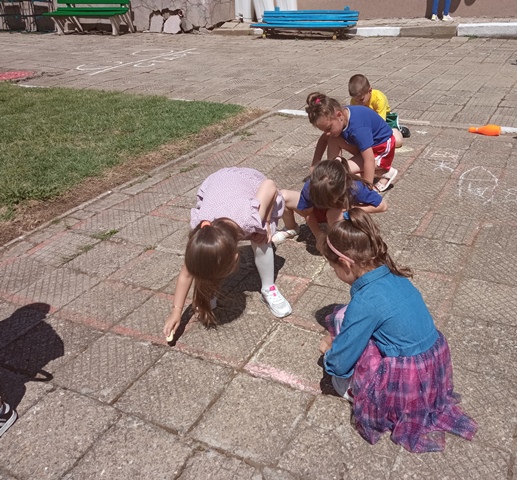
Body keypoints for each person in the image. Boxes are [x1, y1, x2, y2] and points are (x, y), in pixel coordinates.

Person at [318, 208, 477, 453]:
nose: (334, 271)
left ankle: (362, 395)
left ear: (345, 263)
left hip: (406, 381)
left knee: (340, 369)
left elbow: (340, 364)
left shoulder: (365, 301)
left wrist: (328, 353)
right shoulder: (395, 276)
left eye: (332, 267)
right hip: (432, 369)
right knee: (347, 317)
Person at [163, 167, 292, 337]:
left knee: (261, 237)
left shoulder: (249, 217)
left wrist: (266, 221)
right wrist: (176, 311)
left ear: (236, 255)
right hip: (217, 187)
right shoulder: (202, 233)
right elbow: (186, 274)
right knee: (210, 256)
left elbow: (269, 185)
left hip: (244, 182)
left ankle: (268, 287)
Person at [273, 158, 387, 246]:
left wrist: (350, 208)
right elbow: (308, 213)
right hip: (316, 212)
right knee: (282, 197)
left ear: (342, 189)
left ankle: (336, 239)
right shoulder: (310, 186)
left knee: (333, 213)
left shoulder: (355, 187)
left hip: (337, 212)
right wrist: (318, 236)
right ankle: (291, 228)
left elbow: (382, 206)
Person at [307, 92, 399, 193]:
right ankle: (332, 170)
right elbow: (323, 139)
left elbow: (369, 160)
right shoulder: (340, 116)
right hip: (368, 147)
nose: (327, 133)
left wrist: (367, 190)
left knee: (343, 175)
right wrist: (314, 165)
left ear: (339, 115)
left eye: (329, 128)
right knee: (333, 141)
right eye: (324, 130)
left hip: (382, 150)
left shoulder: (358, 128)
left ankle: (384, 172)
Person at [348, 73, 410, 143]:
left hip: (385, 120)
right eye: (356, 100)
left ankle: (399, 130)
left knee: (397, 141)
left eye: (362, 99)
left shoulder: (379, 99)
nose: (359, 103)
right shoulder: (353, 101)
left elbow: (381, 122)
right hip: (366, 122)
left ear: (370, 90)